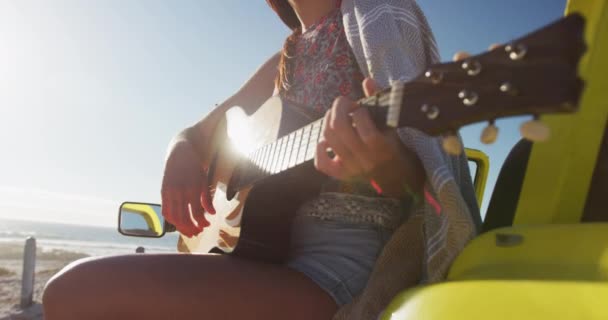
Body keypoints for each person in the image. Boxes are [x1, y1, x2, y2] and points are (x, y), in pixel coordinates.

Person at [42, 1, 479, 319]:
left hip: (336, 271)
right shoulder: (284, 58)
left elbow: (424, 174)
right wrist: (181, 153)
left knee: (72, 293)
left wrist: (381, 167)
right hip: (262, 255)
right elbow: (198, 132)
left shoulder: (380, 17)